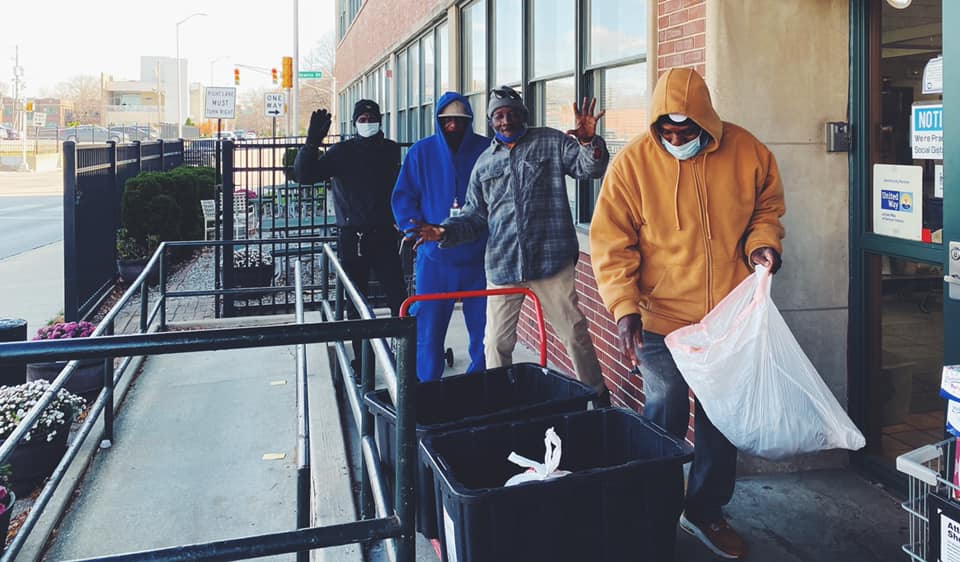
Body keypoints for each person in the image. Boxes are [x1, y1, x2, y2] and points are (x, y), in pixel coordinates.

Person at [589, 67, 786, 560]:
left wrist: (763, 245)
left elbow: (766, 211)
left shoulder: (749, 152)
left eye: (686, 131)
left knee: (721, 416)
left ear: (705, 122)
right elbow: (611, 242)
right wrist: (623, 307)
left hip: (726, 318)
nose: (676, 140)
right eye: (667, 132)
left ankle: (705, 510)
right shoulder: (633, 164)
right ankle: (653, 510)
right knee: (666, 411)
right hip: (659, 318)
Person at [408, 86, 610, 401]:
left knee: (573, 334)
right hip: (503, 265)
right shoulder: (484, 163)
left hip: (550, 261)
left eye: (512, 114)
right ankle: (500, 402)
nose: (506, 121)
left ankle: (598, 397)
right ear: (490, 121)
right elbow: (474, 217)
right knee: (495, 344)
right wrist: (444, 231)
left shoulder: (550, 141)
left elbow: (590, 168)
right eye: (499, 116)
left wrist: (588, 142)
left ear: (523, 115)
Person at [295, 100, 407, 365]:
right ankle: (362, 360)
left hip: (385, 234)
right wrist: (311, 143)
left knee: (399, 298)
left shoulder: (390, 150)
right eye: (362, 119)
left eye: (372, 118)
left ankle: (403, 356)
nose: (368, 123)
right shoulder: (341, 152)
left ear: (380, 120)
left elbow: (404, 187)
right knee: (356, 302)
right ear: (355, 123)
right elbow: (304, 175)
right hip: (352, 236)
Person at [392, 93, 490, 382]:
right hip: (435, 257)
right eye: (447, 121)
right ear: (438, 121)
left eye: (459, 121)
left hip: (480, 257)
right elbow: (404, 197)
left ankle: (481, 384)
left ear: (469, 121)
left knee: (486, 330)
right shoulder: (421, 153)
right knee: (428, 330)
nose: (453, 126)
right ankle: (426, 387)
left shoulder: (486, 150)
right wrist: (414, 230)